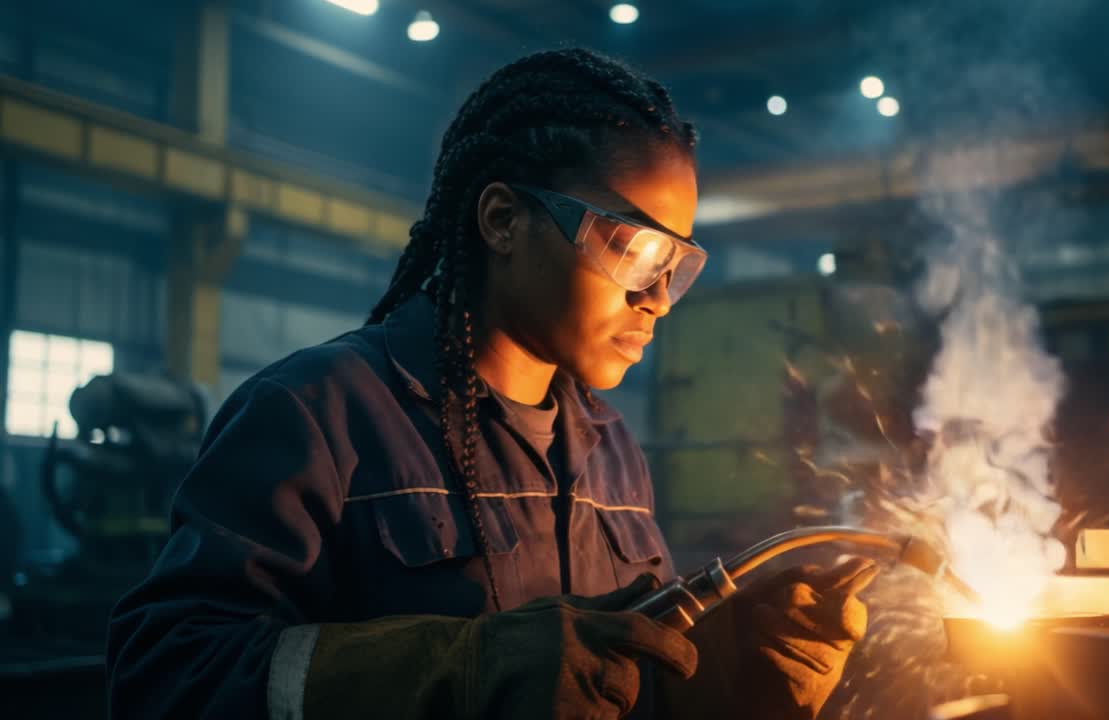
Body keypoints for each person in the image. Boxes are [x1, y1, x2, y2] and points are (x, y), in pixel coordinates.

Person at [106, 48, 876, 720]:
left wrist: (731, 674)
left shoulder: (610, 453)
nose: (658, 298)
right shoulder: (318, 415)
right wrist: (455, 674)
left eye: (676, 266)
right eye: (636, 251)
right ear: (503, 220)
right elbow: (165, 680)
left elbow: (622, 688)